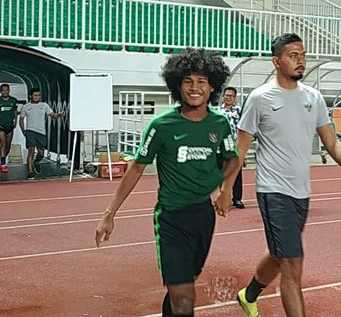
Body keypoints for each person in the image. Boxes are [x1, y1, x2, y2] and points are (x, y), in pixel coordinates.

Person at [95, 48, 241, 317]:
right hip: (171, 219)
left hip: (203, 217)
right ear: (177, 85)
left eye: (202, 81)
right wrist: (109, 213)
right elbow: (137, 167)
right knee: (185, 298)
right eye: (188, 81)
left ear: (212, 88)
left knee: (183, 286)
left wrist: (225, 189)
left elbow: (233, 159)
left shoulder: (220, 124)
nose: (195, 87)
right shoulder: (161, 125)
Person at [234, 33, 341, 317]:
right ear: (276, 61)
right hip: (273, 190)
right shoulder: (260, 98)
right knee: (292, 263)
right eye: (293, 55)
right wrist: (225, 190)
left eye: (303, 55)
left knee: (279, 253)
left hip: (301, 192)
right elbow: (241, 148)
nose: (301, 61)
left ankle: (248, 295)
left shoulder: (314, 97)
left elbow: (331, 142)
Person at [19, 88, 64, 179]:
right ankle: (30, 172)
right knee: (31, 150)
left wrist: (59, 114)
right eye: (35, 95)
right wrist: (23, 131)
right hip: (30, 131)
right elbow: (21, 120)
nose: (37, 97)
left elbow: (53, 115)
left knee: (41, 153)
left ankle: (37, 161)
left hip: (41, 132)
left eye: (39, 95)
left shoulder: (44, 105)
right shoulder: (25, 107)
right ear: (30, 96)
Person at [217, 86, 244, 208]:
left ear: (235, 98)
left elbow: (243, 130)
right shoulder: (216, 111)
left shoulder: (239, 111)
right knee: (220, 173)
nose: (229, 98)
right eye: (227, 95)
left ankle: (237, 198)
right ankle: (222, 196)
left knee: (236, 173)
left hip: (234, 147)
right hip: (219, 147)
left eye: (232, 96)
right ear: (223, 96)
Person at [0, 84, 19, 173]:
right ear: (0, 91)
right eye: (3, 90)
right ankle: (3, 164)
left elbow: (15, 112)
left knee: (8, 145)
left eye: (7, 90)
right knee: (3, 144)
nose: (5, 92)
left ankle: (3, 158)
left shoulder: (13, 100)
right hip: (1, 126)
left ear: (9, 90)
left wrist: (15, 122)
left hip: (10, 125)